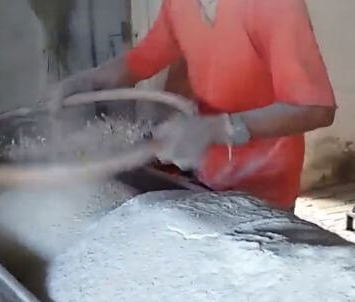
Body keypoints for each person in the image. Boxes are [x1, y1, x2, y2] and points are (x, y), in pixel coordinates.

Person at [48, 0, 336, 211]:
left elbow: (314, 108)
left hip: (264, 187)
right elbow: (146, 56)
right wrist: (93, 80)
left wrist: (221, 128)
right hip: (206, 175)